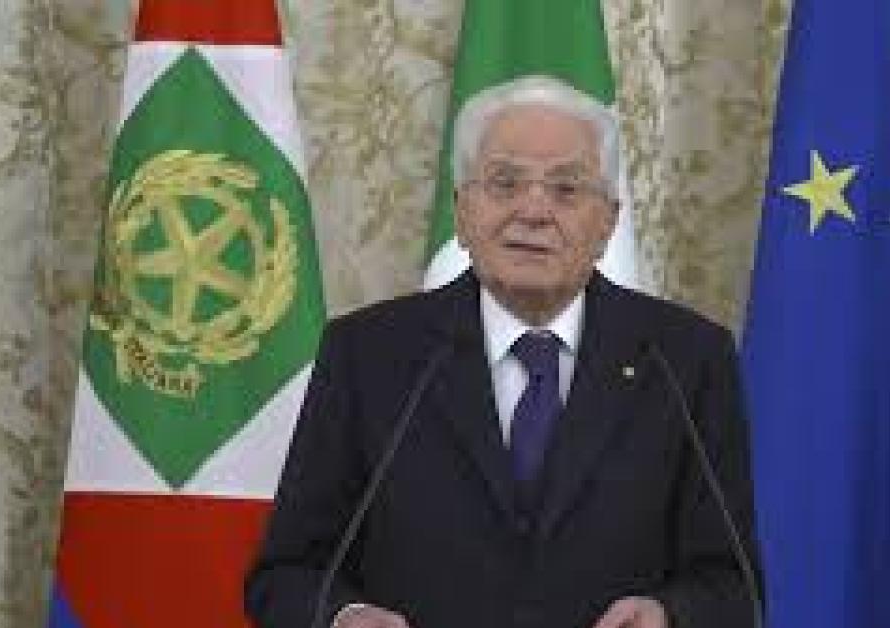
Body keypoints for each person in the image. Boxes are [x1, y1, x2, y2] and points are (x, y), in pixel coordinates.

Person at [244, 75, 760, 628]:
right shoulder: (368, 355)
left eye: (566, 189)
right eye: (504, 183)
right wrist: (344, 616)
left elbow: (732, 586)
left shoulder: (685, 360)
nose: (533, 210)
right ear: (462, 211)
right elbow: (287, 574)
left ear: (608, 223)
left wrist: (669, 615)